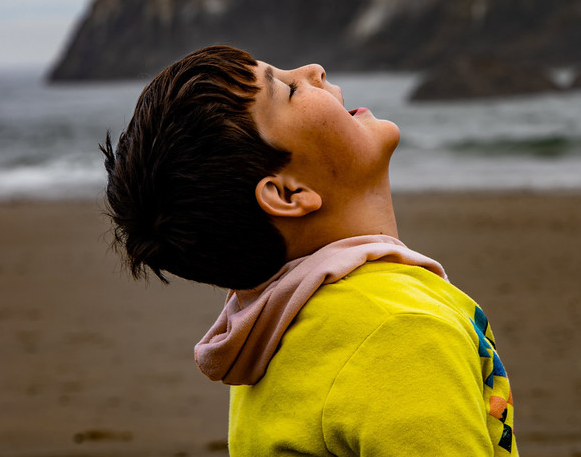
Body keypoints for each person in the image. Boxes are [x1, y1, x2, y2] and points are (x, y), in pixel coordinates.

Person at [102, 45, 517, 456]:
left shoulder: (274, 331)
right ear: (287, 193)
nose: (314, 69)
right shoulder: (397, 330)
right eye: (287, 90)